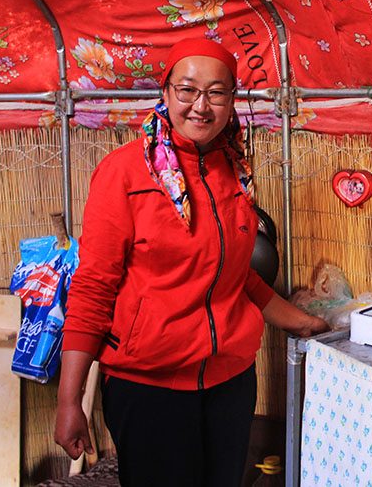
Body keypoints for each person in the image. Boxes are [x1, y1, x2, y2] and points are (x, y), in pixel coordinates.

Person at [54, 37, 328, 486]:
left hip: (230, 384)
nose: (201, 105)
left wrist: (303, 323)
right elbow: (93, 289)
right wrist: (68, 402)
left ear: (231, 101)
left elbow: (235, 277)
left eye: (217, 92)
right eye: (187, 90)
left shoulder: (233, 171)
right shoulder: (124, 173)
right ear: (166, 93)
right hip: (149, 389)